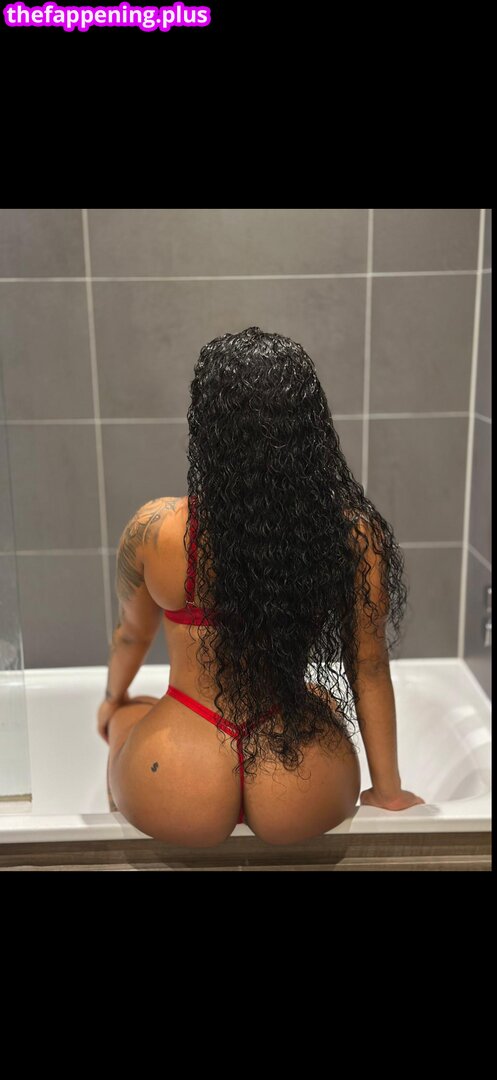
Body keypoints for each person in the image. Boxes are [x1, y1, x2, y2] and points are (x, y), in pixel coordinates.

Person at [98, 327, 424, 847]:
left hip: (180, 771)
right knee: (319, 696)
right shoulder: (351, 534)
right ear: (310, 427)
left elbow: (132, 636)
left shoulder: (155, 529)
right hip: (298, 776)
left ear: (208, 429)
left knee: (126, 715)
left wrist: (113, 700)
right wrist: (389, 792)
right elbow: (368, 666)